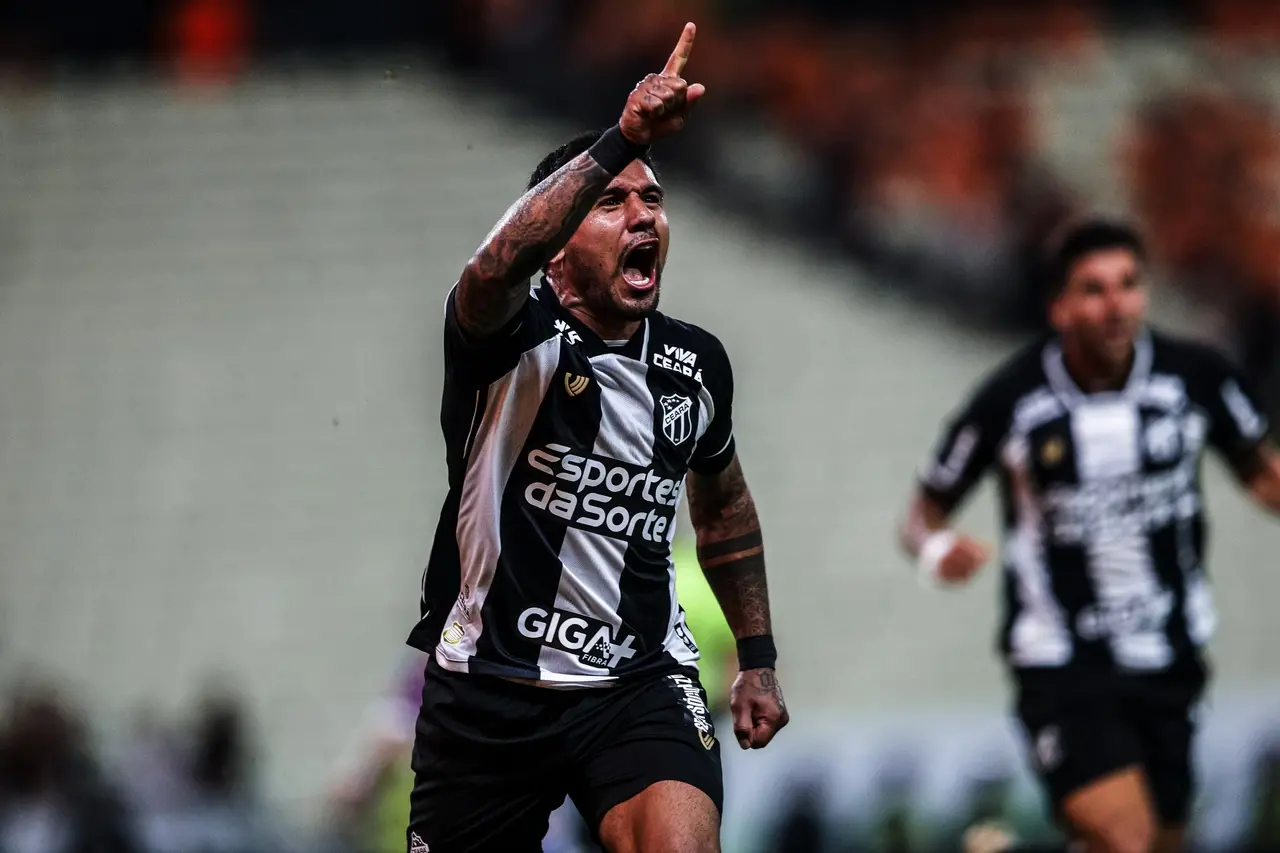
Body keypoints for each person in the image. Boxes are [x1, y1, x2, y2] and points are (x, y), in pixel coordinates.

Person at [404, 22, 789, 853]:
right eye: (611, 202)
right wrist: (621, 138)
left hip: (637, 683)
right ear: (556, 248)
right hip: (490, 687)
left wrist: (756, 655)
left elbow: (723, 508)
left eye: (652, 199)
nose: (641, 214)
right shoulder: (505, 338)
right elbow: (493, 267)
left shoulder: (695, 365)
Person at [897, 218, 1280, 853]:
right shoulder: (1011, 400)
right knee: (1128, 839)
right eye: (1094, 290)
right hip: (1064, 665)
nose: (1116, 305)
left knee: (1159, 841)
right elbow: (921, 513)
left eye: (1128, 285)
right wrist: (937, 550)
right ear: (1060, 308)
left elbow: (1263, 476)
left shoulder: (1196, 379)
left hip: (1172, 660)